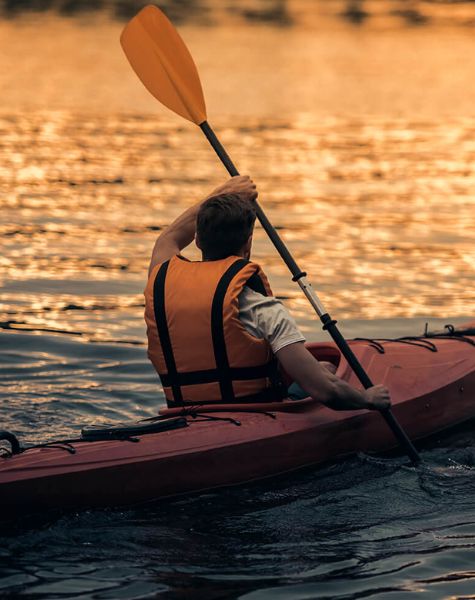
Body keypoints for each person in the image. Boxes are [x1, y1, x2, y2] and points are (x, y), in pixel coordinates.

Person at [144, 175, 391, 412]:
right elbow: (326, 392)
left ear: (197, 240)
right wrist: (368, 399)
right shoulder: (263, 309)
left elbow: (169, 236)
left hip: (179, 412)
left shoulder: (162, 278)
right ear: (248, 243)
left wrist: (224, 191)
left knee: (323, 365)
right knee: (325, 370)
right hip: (254, 415)